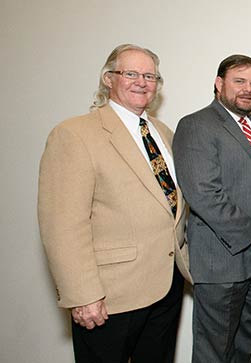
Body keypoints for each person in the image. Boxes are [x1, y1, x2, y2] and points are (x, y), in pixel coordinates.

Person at [38, 44, 191, 362]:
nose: (142, 82)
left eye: (150, 75)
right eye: (131, 73)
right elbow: (63, 223)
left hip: (165, 287)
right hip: (109, 296)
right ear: (108, 78)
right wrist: (83, 294)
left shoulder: (164, 133)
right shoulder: (75, 134)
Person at [173, 54, 251, 362]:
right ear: (219, 84)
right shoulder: (197, 125)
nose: (248, 89)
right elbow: (204, 193)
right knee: (214, 350)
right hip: (223, 260)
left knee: (245, 344)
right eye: (239, 82)